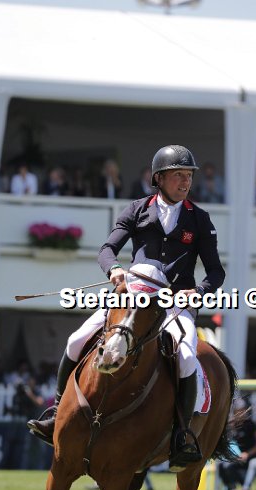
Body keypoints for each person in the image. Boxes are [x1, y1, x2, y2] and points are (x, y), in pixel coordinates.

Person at [28, 144, 225, 471]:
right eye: (178, 175)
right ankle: (57, 414)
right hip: (132, 297)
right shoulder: (136, 209)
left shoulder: (200, 219)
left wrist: (199, 291)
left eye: (188, 175)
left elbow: (216, 271)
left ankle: (182, 434)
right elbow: (107, 249)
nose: (185, 181)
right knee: (76, 340)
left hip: (174, 304)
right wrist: (114, 269)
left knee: (187, 356)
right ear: (158, 178)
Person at [218, 397, 256, 490]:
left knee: (229, 466)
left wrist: (247, 454)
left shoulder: (251, 425)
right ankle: (231, 487)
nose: (241, 413)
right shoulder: (232, 425)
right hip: (236, 456)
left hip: (250, 456)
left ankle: (242, 486)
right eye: (238, 410)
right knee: (221, 464)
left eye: (242, 410)